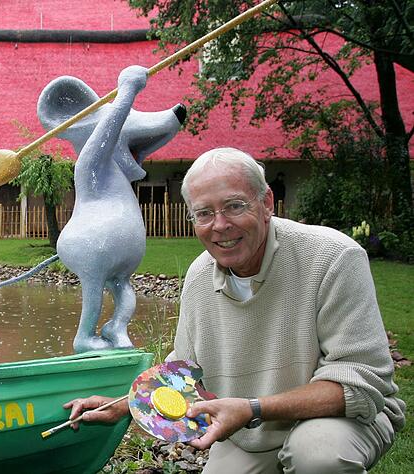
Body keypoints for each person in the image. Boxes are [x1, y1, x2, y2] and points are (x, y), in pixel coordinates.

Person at [65, 148, 404, 473]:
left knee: (316, 457)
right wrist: (122, 405)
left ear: (267, 202)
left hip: (343, 418)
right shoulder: (199, 275)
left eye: (234, 206)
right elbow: (185, 371)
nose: (220, 225)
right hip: (253, 428)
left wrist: (252, 408)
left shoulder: (334, 257)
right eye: (204, 213)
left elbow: (360, 383)